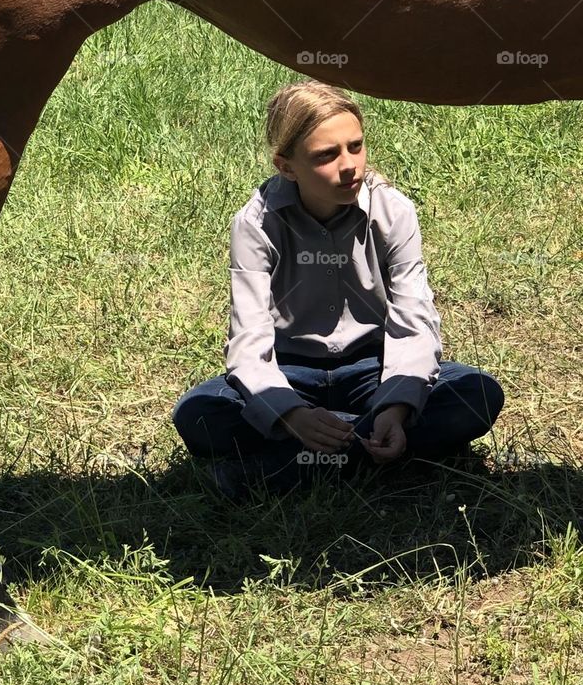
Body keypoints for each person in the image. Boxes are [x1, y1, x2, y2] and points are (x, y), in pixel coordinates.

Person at [172, 80, 504, 500]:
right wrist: (289, 412)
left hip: (375, 368)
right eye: (326, 155)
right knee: (199, 414)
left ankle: (280, 469)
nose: (350, 166)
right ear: (286, 166)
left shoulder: (393, 210)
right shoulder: (256, 223)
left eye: (355, 146)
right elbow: (248, 338)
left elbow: (414, 322)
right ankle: (371, 448)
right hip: (289, 372)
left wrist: (394, 406)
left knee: (476, 393)